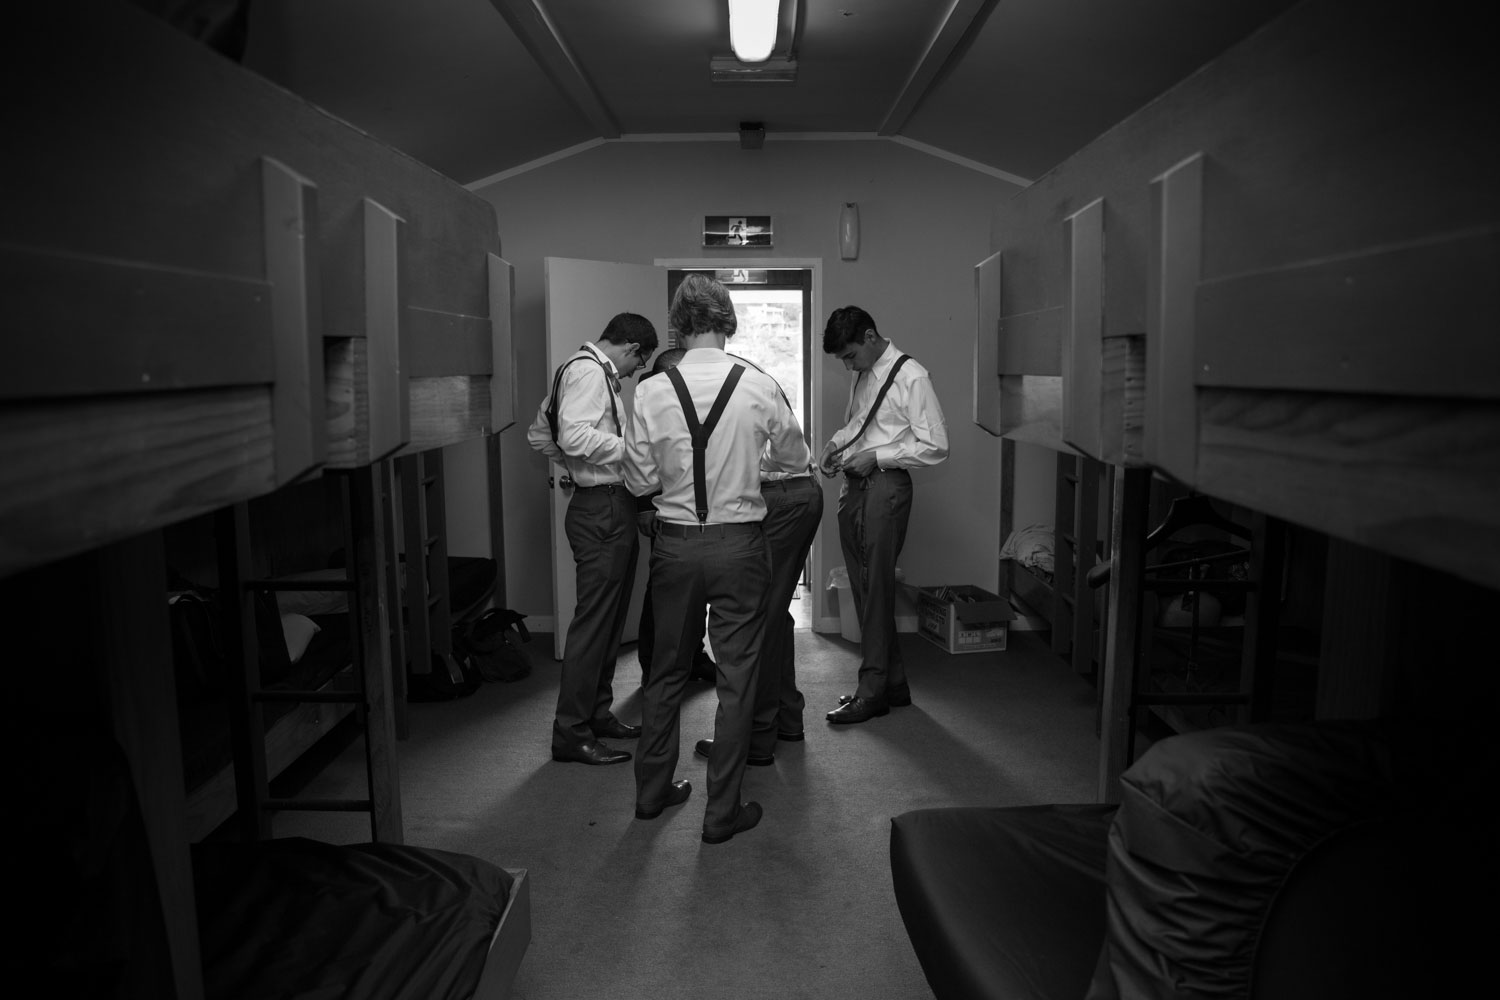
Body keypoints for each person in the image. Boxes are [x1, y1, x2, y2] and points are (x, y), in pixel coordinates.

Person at [624, 273, 809, 844]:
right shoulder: (759, 384)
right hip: (739, 546)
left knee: (665, 673)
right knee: (737, 678)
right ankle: (721, 812)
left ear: (679, 326)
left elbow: (638, 478)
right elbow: (795, 456)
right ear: (727, 321)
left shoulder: (652, 390)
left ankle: (652, 794)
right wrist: (751, 463)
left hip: (675, 545)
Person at [528, 312, 658, 766]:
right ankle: (570, 732)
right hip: (601, 506)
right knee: (593, 626)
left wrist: (575, 466)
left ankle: (597, 714)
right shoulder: (587, 371)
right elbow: (571, 434)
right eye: (638, 364)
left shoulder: (580, 368)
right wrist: (631, 451)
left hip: (607, 501)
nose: (634, 373)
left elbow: (541, 433)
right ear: (631, 348)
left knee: (609, 620)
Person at [818, 305, 948, 724]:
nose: (847, 364)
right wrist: (835, 445)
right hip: (855, 488)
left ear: (871, 336)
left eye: (850, 355)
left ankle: (872, 691)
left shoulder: (912, 376)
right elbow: (859, 424)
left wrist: (879, 457)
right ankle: (894, 684)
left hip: (885, 488)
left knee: (875, 590)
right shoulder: (862, 372)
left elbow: (936, 445)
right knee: (864, 588)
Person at [694, 350, 822, 766]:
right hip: (792, 497)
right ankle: (786, 719)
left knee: (758, 620)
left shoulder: (739, 386)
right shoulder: (745, 379)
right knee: (774, 615)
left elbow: (791, 455)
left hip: (784, 498)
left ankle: (755, 738)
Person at [634, 347, 714, 686]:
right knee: (662, 596)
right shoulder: (651, 398)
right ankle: (653, 666)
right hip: (662, 510)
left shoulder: (702, 400)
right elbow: (639, 458)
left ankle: (694, 657)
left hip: (701, 512)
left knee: (699, 591)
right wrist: (644, 506)